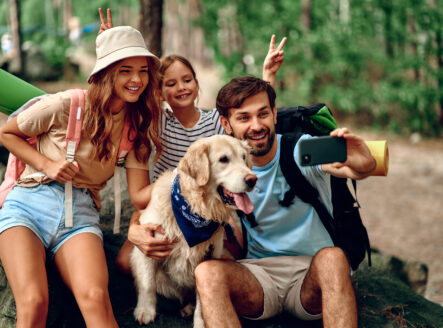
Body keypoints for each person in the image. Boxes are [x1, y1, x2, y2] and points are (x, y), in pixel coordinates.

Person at [96, 8, 288, 274]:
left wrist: (269, 77)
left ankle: (207, 290)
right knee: (125, 261)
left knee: (225, 260)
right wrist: (112, 54)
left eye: (187, 80)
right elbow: (129, 101)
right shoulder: (158, 122)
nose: (181, 87)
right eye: (171, 83)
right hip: (171, 202)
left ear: (197, 84)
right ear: (160, 92)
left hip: (210, 201)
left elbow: (253, 117)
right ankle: (169, 291)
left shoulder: (213, 123)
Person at [0, 25, 161, 327]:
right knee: (34, 303)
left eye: (143, 70)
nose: (137, 80)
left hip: (81, 215)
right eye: (125, 70)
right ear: (106, 73)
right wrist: (47, 164)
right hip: (28, 206)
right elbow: (7, 133)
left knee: (96, 299)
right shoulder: (68, 103)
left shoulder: (136, 127)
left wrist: (181, 181)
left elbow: (140, 195)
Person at [192, 75, 377, 328]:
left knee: (334, 258)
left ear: (275, 114)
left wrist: (362, 156)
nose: (256, 125)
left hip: (311, 276)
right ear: (226, 123)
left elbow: (355, 168)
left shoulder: (301, 149)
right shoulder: (221, 166)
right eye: (244, 118)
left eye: (263, 114)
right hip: (258, 277)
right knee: (206, 273)